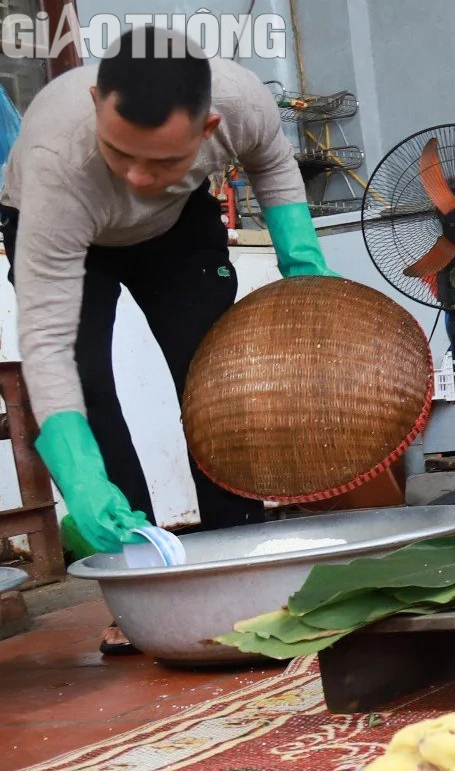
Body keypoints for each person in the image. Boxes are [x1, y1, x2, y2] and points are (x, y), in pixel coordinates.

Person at [2, 26, 338, 652]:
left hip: (177, 228)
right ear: (99, 102)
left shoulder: (241, 103)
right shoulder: (56, 160)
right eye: (118, 152)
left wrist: (305, 272)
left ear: (208, 130)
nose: (136, 177)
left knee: (212, 379)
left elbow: (274, 167)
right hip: (68, 227)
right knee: (90, 390)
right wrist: (76, 468)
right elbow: (46, 342)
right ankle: (141, 587)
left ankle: (241, 572)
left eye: (162, 160)